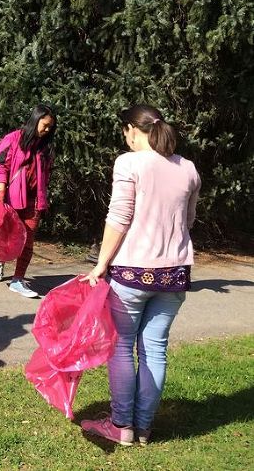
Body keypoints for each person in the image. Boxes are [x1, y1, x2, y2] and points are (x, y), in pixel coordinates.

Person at [80, 105, 199, 447]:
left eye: (125, 133)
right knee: (155, 350)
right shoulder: (188, 169)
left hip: (132, 273)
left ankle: (121, 426)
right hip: (175, 274)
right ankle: (143, 428)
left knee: (121, 348)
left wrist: (101, 263)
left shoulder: (128, 163)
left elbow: (119, 217)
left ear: (133, 130)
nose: (126, 139)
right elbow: (188, 221)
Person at [0, 104, 56, 298]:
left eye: (51, 127)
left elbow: (47, 172)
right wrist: (1, 192)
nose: (47, 130)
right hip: (12, 197)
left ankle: (18, 279)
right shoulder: (13, 139)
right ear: (35, 120)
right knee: (5, 235)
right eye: (45, 125)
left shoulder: (45, 146)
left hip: (35, 199)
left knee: (28, 239)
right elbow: (1, 165)